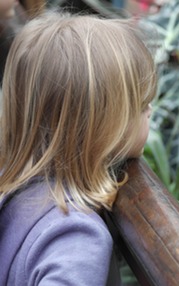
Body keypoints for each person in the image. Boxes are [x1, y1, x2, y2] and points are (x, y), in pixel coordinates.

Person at [0, 12, 157, 285]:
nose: (151, 111)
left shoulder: (12, 184)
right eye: (143, 106)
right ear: (106, 127)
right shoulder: (76, 235)